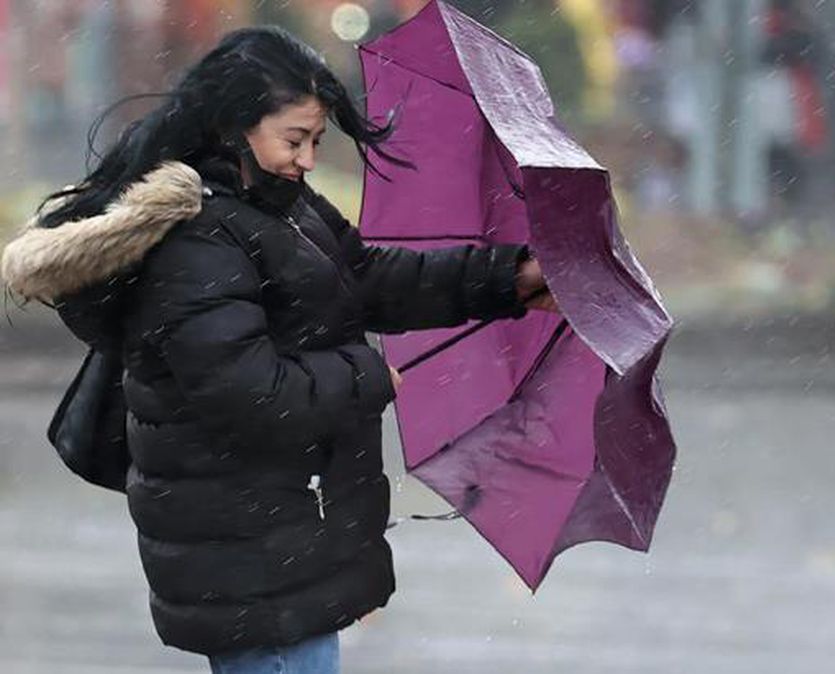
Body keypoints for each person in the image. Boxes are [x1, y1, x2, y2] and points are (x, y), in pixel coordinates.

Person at [0, 26, 554, 674]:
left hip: (278, 542)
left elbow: (367, 279)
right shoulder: (196, 242)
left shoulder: (278, 206)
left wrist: (506, 279)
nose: (309, 159)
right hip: (247, 558)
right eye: (295, 139)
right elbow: (251, 392)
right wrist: (367, 374)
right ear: (236, 126)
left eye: (316, 141)